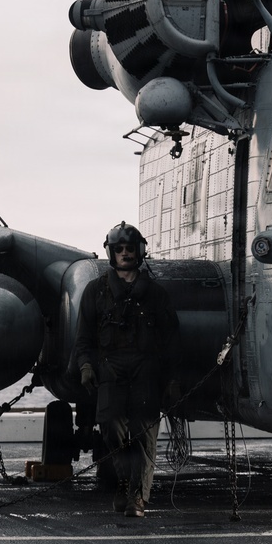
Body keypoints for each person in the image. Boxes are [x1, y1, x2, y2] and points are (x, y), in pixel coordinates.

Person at [72, 222, 180, 518]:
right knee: (111, 431)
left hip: (146, 372)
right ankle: (122, 480)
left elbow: (171, 340)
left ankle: (137, 497)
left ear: (139, 251)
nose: (124, 254)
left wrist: (171, 380)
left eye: (129, 249)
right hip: (111, 371)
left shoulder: (156, 295)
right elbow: (84, 338)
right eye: (119, 249)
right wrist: (85, 367)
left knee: (144, 437)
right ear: (111, 253)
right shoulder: (96, 292)